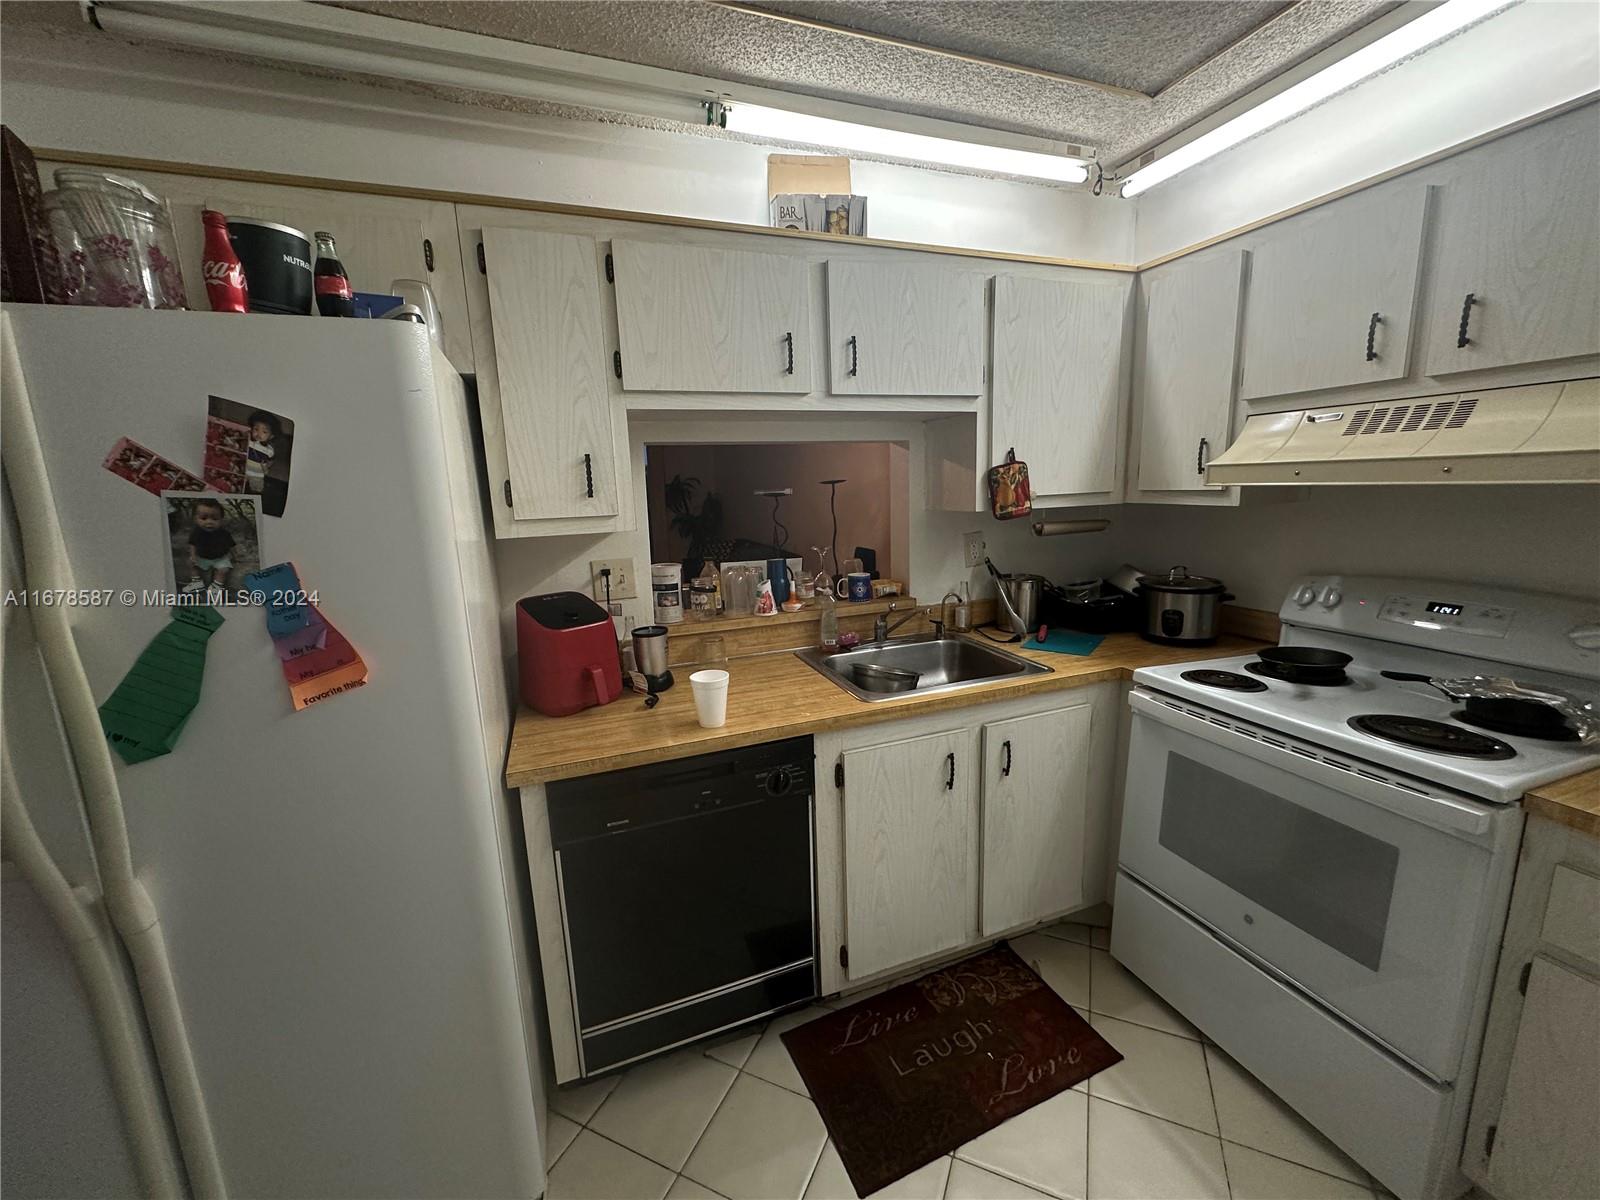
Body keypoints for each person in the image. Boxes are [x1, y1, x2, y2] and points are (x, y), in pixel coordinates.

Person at [186, 498, 235, 595]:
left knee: (224, 570)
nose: (209, 522)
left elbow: (231, 545)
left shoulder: (224, 533)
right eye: (204, 518)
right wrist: (193, 556)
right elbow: (192, 544)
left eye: (215, 519)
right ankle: (196, 582)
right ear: (196, 519)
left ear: (221, 520)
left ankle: (216, 587)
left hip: (220, 558)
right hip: (202, 557)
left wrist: (233, 555)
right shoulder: (196, 532)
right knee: (190, 563)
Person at [245, 410, 280, 495]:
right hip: (244, 471)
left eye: (264, 432)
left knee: (256, 490)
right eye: (256, 429)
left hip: (257, 475)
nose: (259, 433)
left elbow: (271, 459)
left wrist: (267, 467)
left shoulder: (269, 450)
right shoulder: (248, 441)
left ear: (271, 436)